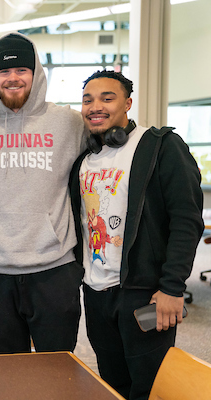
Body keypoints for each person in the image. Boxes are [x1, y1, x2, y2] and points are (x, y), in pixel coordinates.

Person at [69, 70, 204, 400]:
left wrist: (172, 287)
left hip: (145, 291)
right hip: (96, 291)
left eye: (107, 98)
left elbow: (186, 220)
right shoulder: (84, 161)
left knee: (152, 386)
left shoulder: (160, 147)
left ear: (128, 103)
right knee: (114, 384)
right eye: (88, 99)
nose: (95, 106)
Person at [0, 32, 86, 354]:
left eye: (22, 70)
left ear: (36, 72)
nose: (13, 78)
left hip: (54, 269)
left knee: (58, 368)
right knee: (8, 370)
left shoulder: (69, 123)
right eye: (4, 72)